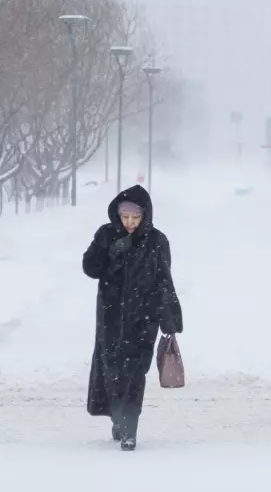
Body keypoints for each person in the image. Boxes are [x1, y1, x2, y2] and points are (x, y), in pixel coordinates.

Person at [83, 185, 183, 451]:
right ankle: (117, 418)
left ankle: (129, 429)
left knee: (135, 373)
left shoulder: (157, 241)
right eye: (125, 217)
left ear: (145, 215)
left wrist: (169, 319)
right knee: (113, 372)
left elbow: (164, 280)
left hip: (143, 319)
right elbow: (90, 268)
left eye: (135, 218)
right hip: (111, 318)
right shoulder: (106, 234)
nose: (129, 223)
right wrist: (105, 248)